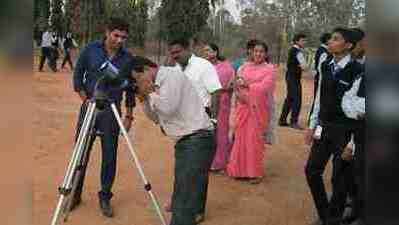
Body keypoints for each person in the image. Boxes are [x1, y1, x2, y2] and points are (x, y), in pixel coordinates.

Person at [132, 56, 215, 225]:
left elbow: (168, 108)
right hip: (187, 141)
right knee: (183, 187)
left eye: (138, 78)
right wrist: (143, 99)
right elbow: (156, 118)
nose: (139, 83)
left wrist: (150, 93)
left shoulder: (171, 77)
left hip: (197, 139)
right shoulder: (155, 87)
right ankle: (195, 212)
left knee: (184, 197)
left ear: (147, 69)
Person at [70, 17, 136, 217]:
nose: (119, 40)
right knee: (81, 152)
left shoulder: (127, 58)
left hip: (112, 111)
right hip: (90, 108)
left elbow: (131, 88)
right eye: (116, 35)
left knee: (109, 155)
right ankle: (74, 193)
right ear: (107, 32)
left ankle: (105, 196)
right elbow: (77, 76)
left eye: (123, 37)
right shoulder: (90, 50)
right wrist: (85, 99)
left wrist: (129, 116)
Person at [304, 27, 363, 225]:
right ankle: (325, 214)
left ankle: (333, 219)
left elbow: (363, 111)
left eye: (336, 39)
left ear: (348, 45)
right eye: (330, 38)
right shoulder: (325, 64)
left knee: (340, 180)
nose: (330, 41)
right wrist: (312, 124)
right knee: (312, 171)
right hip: (324, 127)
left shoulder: (358, 71)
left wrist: (353, 143)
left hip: (346, 132)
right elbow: (319, 97)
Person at [226, 40, 276, 184]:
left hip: (258, 109)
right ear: (251, 52)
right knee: (241, 138)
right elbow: (236, 82)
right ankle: (239, 170)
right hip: (242, 107)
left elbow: (265, 87)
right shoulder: (244, 67)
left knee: (255, 140)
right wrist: (239, 90)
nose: (258, 54)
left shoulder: (270, 69)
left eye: (261, 51)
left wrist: (247, 85)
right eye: (256, 51)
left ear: (265, 54)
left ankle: (255, 173)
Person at [341, 27, 366, 225]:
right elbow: (349, 99)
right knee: (357, 174)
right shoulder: (362, 72)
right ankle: (355, 209)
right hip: (358, 132)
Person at [168, 38, 222, 119]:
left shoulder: (203, 65)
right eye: (172, 53)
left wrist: (214, 119)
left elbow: (215, 92)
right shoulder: (174, 69)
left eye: (178, 52)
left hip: (200, 115)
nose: (175, 56)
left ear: (187, 50)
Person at [203, 43, 235, 172]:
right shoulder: (202, 67)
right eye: (204, 51)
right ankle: (207, 161)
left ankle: (221, 162)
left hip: (222, 103)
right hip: (205, 104)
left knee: (221, 132)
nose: (206, 53)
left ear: (215, 52)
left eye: (208, 50)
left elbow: (232, 86)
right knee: (207, 132)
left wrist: (221, 89)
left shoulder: (226, 68)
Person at [279, 33, 308, 129]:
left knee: (290, 98)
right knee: (297, 99)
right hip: (294, 77)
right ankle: (293, 121)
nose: (305, 42)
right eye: (303, 40)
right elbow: (304, 66)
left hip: (290, 76)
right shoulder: (297, 52)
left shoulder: (293, 50)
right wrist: (301, 67)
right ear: (297, 41)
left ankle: (282, 120)